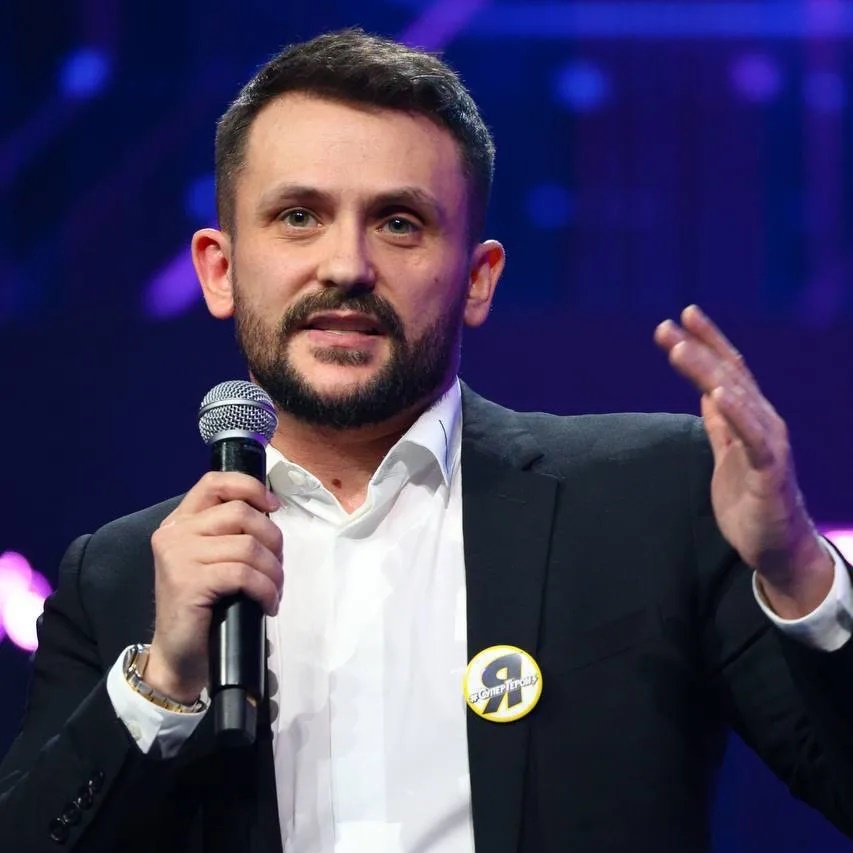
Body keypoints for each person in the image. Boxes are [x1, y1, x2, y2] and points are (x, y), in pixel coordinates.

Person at [0, 27, 851, 853]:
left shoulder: (652, 499)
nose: (346, 265)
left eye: (399, 222)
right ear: (219, 269)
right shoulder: (117, 578)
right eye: (298, 216)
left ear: (477, 279)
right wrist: (159, 684)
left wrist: (796, 570)